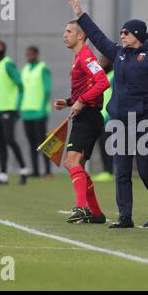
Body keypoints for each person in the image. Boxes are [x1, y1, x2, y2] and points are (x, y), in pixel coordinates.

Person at [67, 0, 148, 229]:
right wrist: (81, 16)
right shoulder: (119, 54)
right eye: (121, 33)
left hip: (144, 122)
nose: (122, 36)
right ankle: (125, 217)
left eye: (126, 33)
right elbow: (97, 38)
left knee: (146, 171)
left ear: (137, 35)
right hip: (120, 123)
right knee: (122, 171)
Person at [54, 20, 110, 224]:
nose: (64, 35)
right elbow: (86, 88)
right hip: (86, 115)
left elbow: (103, 81)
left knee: (71, 162)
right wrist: (69, 101)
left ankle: (81, 208)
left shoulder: (86, 56)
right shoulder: (80, 57)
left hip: (88, 116)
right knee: (78, 165)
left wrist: (81, 101)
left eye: (68, 31)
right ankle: (95, 213)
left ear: (80, 36)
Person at [0, 40, 29, 185]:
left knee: (10, 139)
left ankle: (23, 169)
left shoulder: (8, 64)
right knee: (0, 143)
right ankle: (3, 175)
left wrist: (17, 107)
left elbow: (20, 85)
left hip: (8, 109)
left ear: (3, 49)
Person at [21, 46, 53, 178]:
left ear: (36, 54)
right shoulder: (25, 69)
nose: (28, 56)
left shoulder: (42, 68)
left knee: (43, 142)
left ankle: (47, 171)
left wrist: (42, 107)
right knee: (31, 143)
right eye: (27, 54)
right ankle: (35, 170)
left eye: (31, 54)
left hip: (39, 111)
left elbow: (46, 89)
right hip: (27, 111)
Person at [93, 56, 115, 183]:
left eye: (103, 61)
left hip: (108, 116)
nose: (100, 63)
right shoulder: (100, 77)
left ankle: (109, 171)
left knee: (107, 144)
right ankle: (106, 171)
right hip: (98, 115)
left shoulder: (113, 76)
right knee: (101, 144)